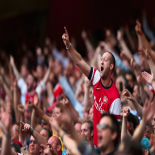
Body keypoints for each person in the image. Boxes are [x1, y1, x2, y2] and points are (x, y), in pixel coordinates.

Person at [62, 27, 121, 147]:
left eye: (105, 60)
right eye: (101, 59)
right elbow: (79, 61)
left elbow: (116, 130)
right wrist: (69, 46)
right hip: (94, 143)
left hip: (106, 147)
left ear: (111, 67)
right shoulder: (96, 77)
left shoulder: (115, 97)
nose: (102, 61)